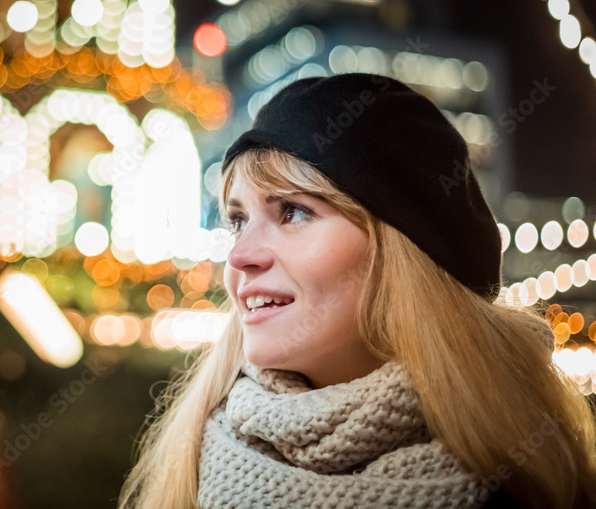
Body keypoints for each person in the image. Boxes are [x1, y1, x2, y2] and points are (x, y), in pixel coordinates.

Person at [117, 73, 596, 508]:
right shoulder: (194, 471)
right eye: (238, 221)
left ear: (402, 254)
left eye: (294, 212)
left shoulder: (531, 487)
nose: (240, 258)